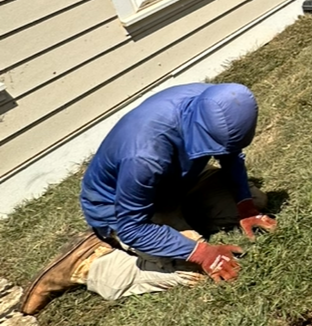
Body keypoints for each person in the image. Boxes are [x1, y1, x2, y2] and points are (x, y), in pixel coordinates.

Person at [19, 82, 276, 314]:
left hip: (174, 182)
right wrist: (201, 253)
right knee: (195, 272)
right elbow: (133, 228)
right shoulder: (145, 155)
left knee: (256, 201)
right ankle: (91, 262)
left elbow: (230, 154)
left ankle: (182, 221)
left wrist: (245, 205)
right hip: (124, 211)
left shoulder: (212, 100)